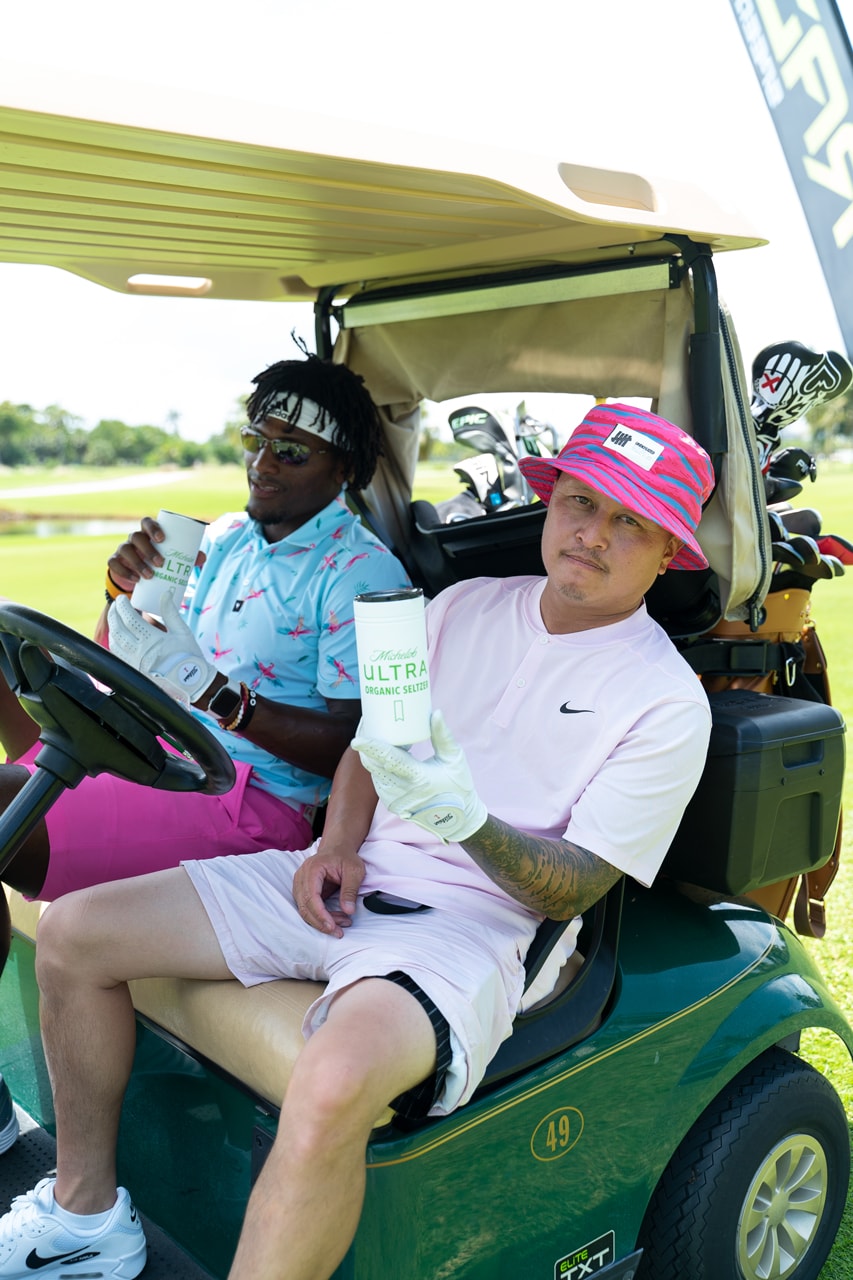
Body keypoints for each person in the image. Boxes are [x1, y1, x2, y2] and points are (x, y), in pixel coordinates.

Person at [0, 403, 714, 1280]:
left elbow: (568, 891)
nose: (592, 535)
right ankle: (85, 1216)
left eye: (629, 523)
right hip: (350, 877)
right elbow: (372, 747)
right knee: (76, 934)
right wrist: (336, 843)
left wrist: (471, 825)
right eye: (579, 503)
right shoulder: (460, 608)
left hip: (472, 927)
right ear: (549, 500)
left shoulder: (667, 703)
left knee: (332, 1077)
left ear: (668, 550)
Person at [0, 350, 409, 1150]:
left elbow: (355, 747)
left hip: (259, 804)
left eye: (291, 450)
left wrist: (220, 696)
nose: (262, 463)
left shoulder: (359, 572)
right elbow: (140, 661)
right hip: (170, 755)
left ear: (346, 468)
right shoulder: (222, 539)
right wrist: (119, 597)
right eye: (256, 439)